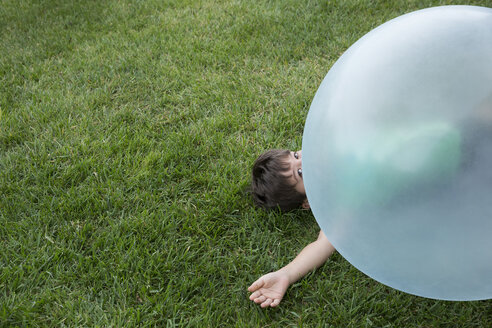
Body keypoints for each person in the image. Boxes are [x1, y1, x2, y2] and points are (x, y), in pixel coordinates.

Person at [248, 149, 336, 308]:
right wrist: (286, 274)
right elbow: (324, 243)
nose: (304, 160)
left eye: (295, 155)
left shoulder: (333, 144)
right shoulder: (339, 202)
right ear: (308, 200)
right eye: (300, 172)